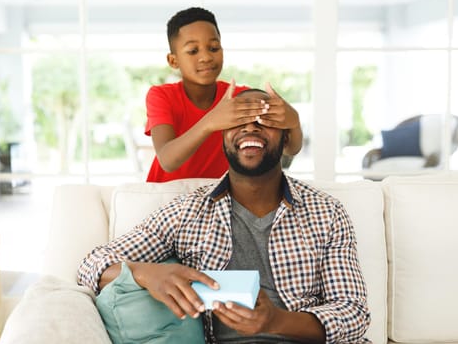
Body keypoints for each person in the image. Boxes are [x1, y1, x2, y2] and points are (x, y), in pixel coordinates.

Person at [78, 89, 371, 344]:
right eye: (238, 121)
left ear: (285, 139)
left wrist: (276, 321)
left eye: (265, 121)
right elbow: (91, 265)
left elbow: (354, 312)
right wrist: (143, 272)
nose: (251, 128)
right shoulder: (187, 211)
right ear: (223, 137)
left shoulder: (326, 212)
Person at [144, 7, 303, 182]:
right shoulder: (161, 96)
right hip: (165, 195)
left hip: (216, 198)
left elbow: (290, 148)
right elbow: (167, 160)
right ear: (173, 61)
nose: (206, 57)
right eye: (193, 51)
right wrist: (211, 121)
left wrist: (293, 121)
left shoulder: (239, 98)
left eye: (213, 48)